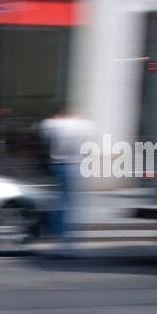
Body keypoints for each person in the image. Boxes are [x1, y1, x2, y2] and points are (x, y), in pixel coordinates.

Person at [37, 106, 96, 252]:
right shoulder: (81, 124)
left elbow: (44, 128)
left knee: (60, 203)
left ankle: (59, 237)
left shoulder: (54, 124)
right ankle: (70, 240)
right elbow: (91, 130)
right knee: (73, 204)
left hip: (59, 165)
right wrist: (79, 118)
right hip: (76, 166)